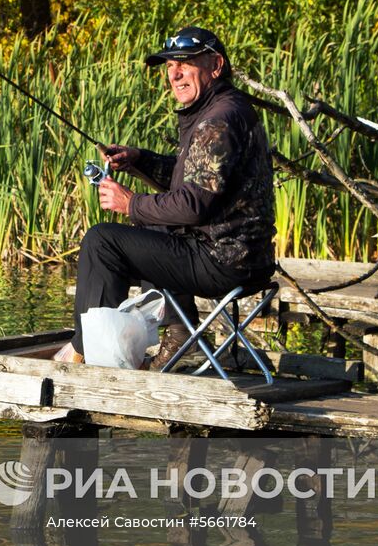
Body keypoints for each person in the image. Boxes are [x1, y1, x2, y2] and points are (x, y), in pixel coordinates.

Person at [68, 26, 276, 369]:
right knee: (148, 232)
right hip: (244, 257)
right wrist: (139, 160)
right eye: (169, 66)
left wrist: (130, 203)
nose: (174, 74)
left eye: (185, 63)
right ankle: (182, 336)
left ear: (216, 64)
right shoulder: (227, 109)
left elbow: (193, 205)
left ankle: (87, 354)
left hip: (223, 260)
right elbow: (199, 181)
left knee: (102, 241)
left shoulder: (218, 121)